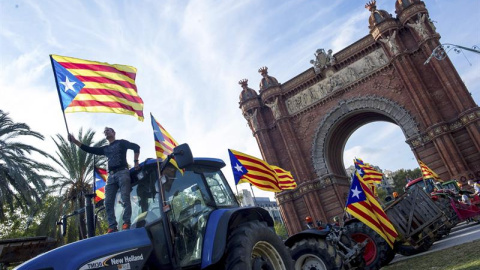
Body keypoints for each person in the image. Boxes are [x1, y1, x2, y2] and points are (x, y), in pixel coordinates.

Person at [69, 127, 140, 233]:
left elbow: (136, 147)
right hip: (110, 176)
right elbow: (90, 149)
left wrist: (136, 162)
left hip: (122, 172)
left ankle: (126, 223)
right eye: (105, 131)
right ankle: (112, 226)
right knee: (107, 202)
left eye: (108, 130)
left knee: (125, 198)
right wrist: (74, 141)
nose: (106, 132)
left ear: (114, 132)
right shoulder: (105, 149)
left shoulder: (122, 143)